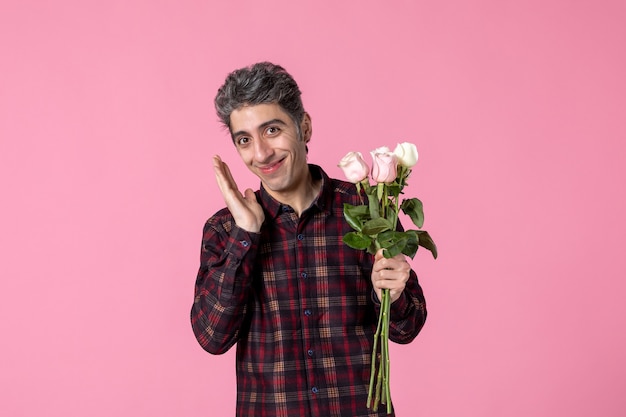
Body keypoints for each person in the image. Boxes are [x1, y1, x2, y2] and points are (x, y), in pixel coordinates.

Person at [191, 62, 427, 417]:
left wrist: (395, 292)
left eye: (272, 130)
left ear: (304, 127)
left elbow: (406, 329)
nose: (261, 153)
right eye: (244, 139)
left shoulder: (366, 207)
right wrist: (245, 236)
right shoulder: (224, 230)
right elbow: (213, 337)